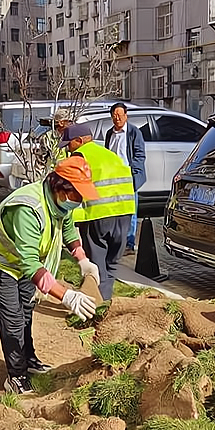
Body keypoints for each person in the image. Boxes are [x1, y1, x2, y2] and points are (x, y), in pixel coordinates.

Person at [0, 155, 103, 395]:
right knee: (12, 320)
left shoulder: (59, 204)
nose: (80, 200)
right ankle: (16, 376)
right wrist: (66, 296)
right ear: (60, 188)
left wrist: (82, 259)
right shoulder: (28, 209)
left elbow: (68, 228)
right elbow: (31, 266)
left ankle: (29, 359)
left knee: (26, 309)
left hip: (25, 260)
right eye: (77, 195)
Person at [62, 124, 136, 301]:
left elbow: (68, 190)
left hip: (97, 216)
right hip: (124, 214)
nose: (67, 149)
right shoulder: (110, 155)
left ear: (79, 141)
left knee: (97, 264)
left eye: (68, 144)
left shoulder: (80, 157)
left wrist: (72, 219)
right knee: (111, 264)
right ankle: (105, 300)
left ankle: (97, 304)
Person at [104, 103, 146, 254]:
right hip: (113, 178)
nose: (118, 118)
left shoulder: (134, 132)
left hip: (128, 177)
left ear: (126, 116)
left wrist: (134, 173)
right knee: (115, 211)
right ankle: (116, 241)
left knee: (130, 211)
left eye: (120, 115)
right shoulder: (110, 133)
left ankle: (129, 243)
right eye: (115, 116)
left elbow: (140, 154)